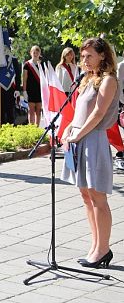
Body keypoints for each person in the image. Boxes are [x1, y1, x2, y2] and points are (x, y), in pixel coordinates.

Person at [60, 37, 119, 269]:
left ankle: (103, 249)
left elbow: (97, 114)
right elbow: (79, 112)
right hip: (79, 138)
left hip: (93, 140)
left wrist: (78, 134)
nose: (84, 60)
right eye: (82, 56)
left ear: (102, 56)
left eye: (89, 56)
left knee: (98, 197)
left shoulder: (108, 80)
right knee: (86, 195)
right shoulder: (86, 79)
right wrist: (68, 128)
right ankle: (95, 246)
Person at [22, 45, 42, 125]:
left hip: (39, 91)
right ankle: (32, 129)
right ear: (31, 53)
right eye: (34, 52)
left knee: (39, 112)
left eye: (37, 52)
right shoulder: (27, 64)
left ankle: (37, 130)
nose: (35, 54)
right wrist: (24, 91)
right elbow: (24, 79)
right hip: (30, 90)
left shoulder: (42, 64)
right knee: (31, 111)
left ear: (39, 53)